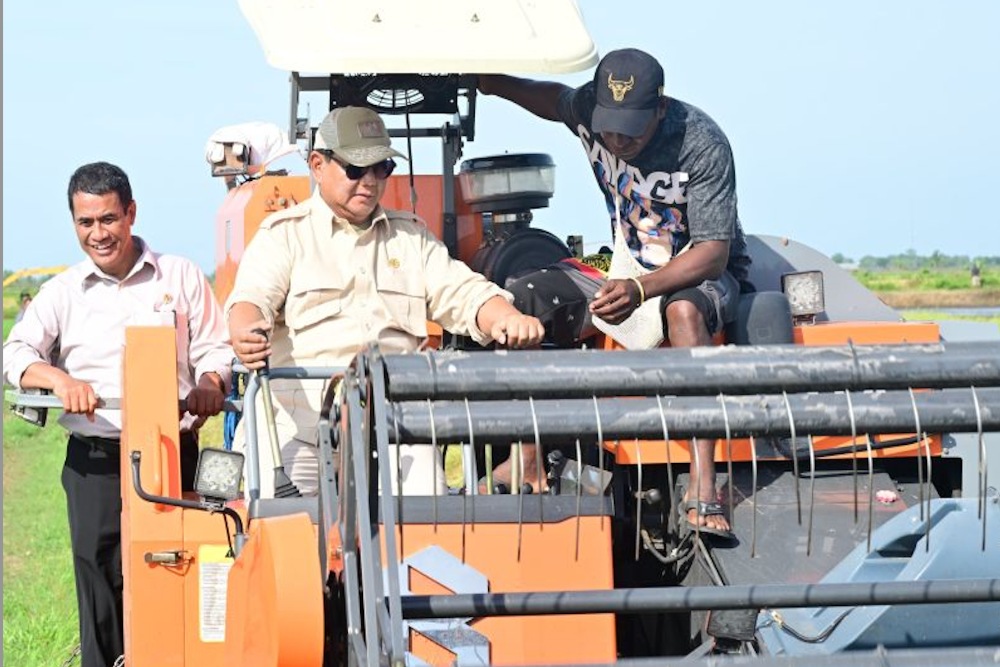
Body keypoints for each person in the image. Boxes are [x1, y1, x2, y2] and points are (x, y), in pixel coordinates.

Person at [479, 48, 754, 537]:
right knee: (527, 298)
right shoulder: (587, 110)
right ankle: (526, 459)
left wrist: (642, 290)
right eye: (608, 129)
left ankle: (704, 483)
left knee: (685, 313)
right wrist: (492, 80)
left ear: (660, 110)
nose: (617, 141)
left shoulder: (702, 142)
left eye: (631, 130)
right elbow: (552, 98)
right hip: (626, 258)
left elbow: (714, 250)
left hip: (696, 266)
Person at [226, 106, 545, 497]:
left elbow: (463, 292)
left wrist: (505, 316)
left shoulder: (411, 238)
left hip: (395, 429)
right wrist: (245, 331)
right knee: (280, 533)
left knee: (430, 526)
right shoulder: (282, 236)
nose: (370, 182)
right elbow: (250, 301)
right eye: (356, 169)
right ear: (317, 164)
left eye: (382, 169)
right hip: (299, 429)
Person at [3, 162, 233, 667]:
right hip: (97, 458)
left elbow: (217, 350)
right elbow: (15, 354)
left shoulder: (180, 276)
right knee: (100, 579)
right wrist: (60, 381)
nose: (98, 234)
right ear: (73, 223)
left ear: (131, 213)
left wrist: (210, 384)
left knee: (184, 566)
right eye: (86, 223)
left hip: (173, 453)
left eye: (108, 219)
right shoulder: (61, 292)